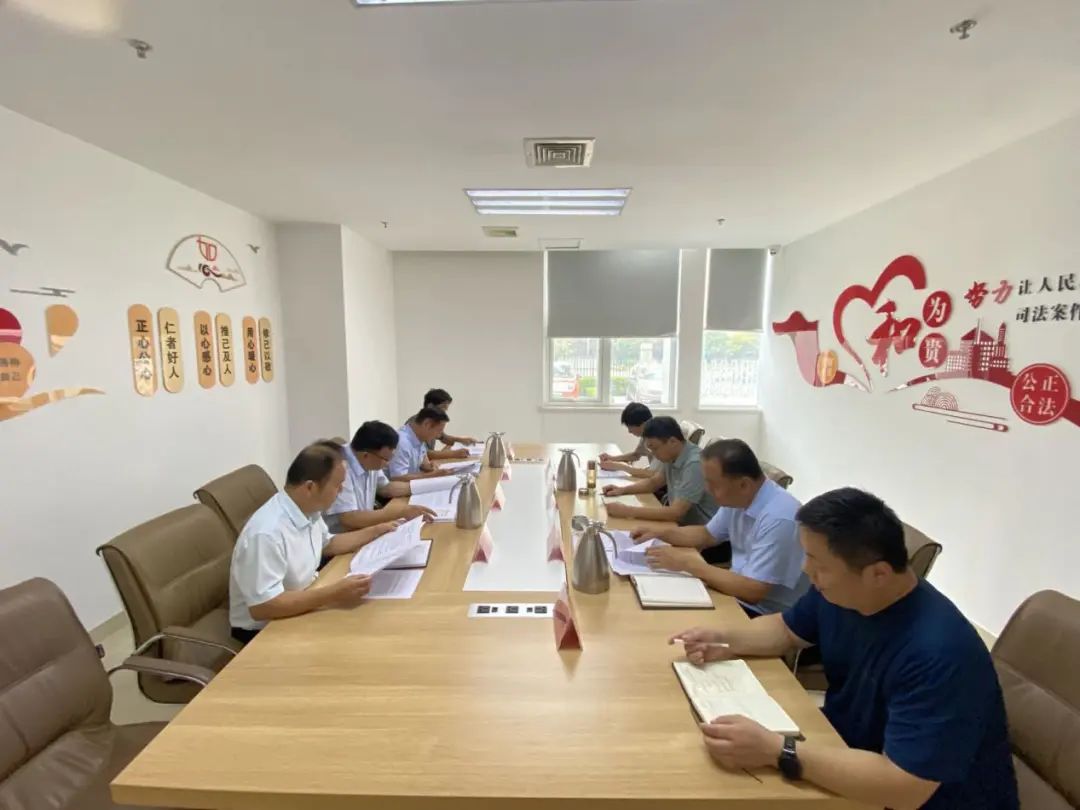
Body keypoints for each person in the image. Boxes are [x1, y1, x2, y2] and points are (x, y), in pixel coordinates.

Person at [671, 488, 1018, 810]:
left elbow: (906, 787)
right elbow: (786, 630)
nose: (807, 570)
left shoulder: (940, 654)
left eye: (818, 563)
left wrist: (776, 750)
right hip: (847, 750)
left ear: (879, 574)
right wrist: (725, 638)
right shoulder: (842, 592)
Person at [229, 442, 401, 644]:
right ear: (310, 487)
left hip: (304, 599)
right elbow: (263, 606)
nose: (341, 491)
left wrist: (376, 531)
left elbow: (329, 544)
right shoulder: (266, 533)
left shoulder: (308, 508)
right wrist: (334, 593)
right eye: (337, 485)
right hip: (264, 630)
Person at [632, 438, 807, 616]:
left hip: (764, 614)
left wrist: (687, 564)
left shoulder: (780, 518)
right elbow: (706, 534)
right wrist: (660, 533)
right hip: (735, 593)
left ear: (744, 484)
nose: (707, 489)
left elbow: (753, 591)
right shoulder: (739, 497)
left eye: (713, 484)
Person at [602, 416, 717, 525]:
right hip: (681, 523)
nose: (653, 454)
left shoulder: (694, 464)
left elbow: (676, 513)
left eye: (655, 448)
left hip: (701, 530)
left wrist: (627, 511)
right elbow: (654, 483)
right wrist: (622, 490)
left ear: (672, 441)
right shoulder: (672, 455)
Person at [324, 420, 437, 532]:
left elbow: (386, 488)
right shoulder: (340, 466)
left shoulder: (369, 455)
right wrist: (400, 513)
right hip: (344, 535)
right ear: (366, 455)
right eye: (386, 459)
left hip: (364, 528)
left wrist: (428, 486)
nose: (387, 464)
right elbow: (349, 519)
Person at [388, 407, 456, 481]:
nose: (438, 436)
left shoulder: (419, 437)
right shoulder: (402, 442)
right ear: (427, 424)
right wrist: (433, 475)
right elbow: (397, 478)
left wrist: (429, 466)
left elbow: (423, 462)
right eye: (439, 431)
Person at [598, 402, 660, 480]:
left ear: (644, 424)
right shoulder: (645, 436)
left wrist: (621, 466)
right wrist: (612, 458)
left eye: (630, 427)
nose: (629, 431)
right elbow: (636, 455)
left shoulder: (659, 440)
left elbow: (656, 474)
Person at [421, 388, 481, 461]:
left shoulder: (434, 421)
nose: (444, 412)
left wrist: (462, 440)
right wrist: (453, 454)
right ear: (430, 406)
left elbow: (443, 437)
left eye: (446, 409)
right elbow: (423, 454)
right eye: (443, 408)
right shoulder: (421, 422)